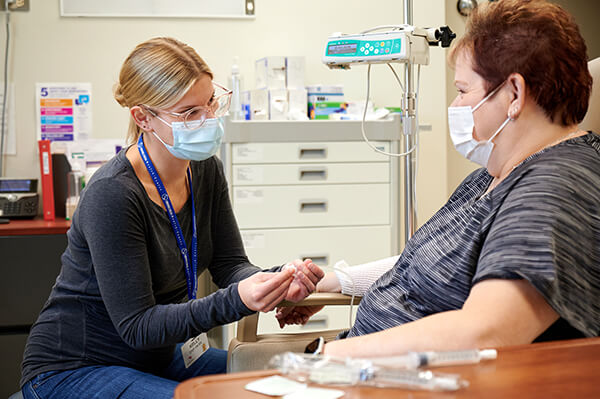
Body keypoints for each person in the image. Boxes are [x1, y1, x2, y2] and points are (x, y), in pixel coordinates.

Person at [278, 0, 599, 357]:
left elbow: (486, 332)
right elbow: (430, 265)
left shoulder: (552, 190)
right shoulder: (492, 176)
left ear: (514, 94)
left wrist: (325, 360)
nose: (456, 105)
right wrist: (338, 282)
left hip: (389, 377)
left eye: (463, 91)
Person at [20, 37, 324, 398]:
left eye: (211, 102)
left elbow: (231, 265)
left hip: (160, 357)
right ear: (143, 117)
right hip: (76, 368)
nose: (208, 119)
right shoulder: (114, 194)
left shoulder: (204, 169)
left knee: (292, 381)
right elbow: (138, 326)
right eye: (189, 112)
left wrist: (278, 283)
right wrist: (239, 300)